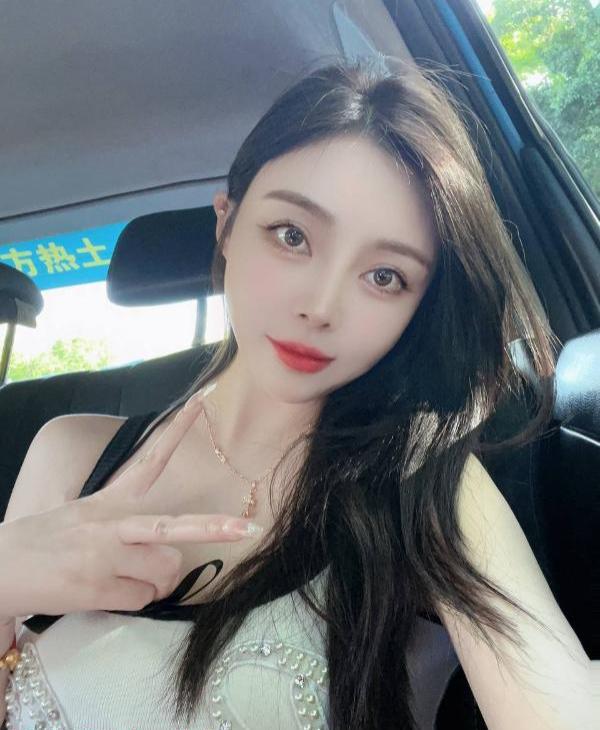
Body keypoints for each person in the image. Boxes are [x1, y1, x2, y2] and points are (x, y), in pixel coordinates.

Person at [0, 55, 592, 730]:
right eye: (293, 236)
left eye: (386, 277)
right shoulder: (67, 453)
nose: (321, 306)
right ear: (226, 223)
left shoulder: (425, 485)